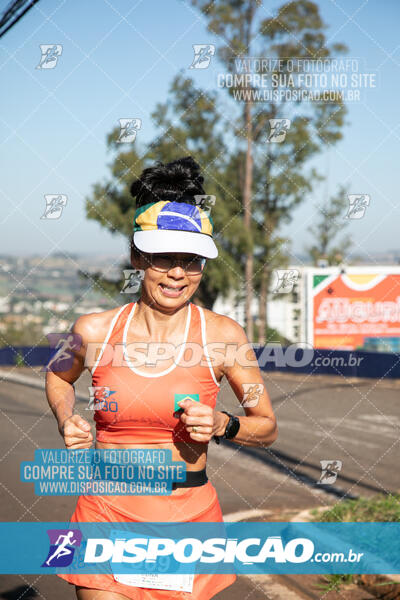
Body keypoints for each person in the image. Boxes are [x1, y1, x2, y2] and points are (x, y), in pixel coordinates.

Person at [46, 156, 278, 599]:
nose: (177, 273)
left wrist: (222, 424)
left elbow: (266, 425)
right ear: (137, 256)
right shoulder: (93, 329)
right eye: (163, 258)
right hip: (107, 511)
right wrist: (65, 415)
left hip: (186, 520)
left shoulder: (225, 337)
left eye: (191, 261)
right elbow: (58, 376)